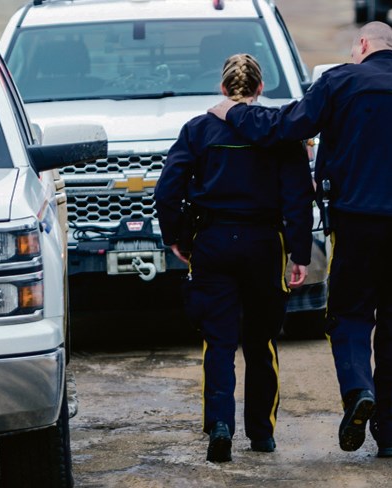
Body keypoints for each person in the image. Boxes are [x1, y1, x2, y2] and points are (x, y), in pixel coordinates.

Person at [208, 22, 392, 458]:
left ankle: (357, 392)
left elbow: (285, 127)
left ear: (364, 45)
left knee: (349, 313)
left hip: (356, 220)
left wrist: (234, 112)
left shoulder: (340, 81)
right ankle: (390, 435)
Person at [155, 54, 314, 463]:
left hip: (213, 241)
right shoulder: (280, 135)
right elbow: (299, 197)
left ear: (223, 90)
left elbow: (167, 191)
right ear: (260, 90)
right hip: (265, 243)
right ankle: (262, 434)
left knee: (219, 340)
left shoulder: (198, 129)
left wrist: (177, 237)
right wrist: (298, 252)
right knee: (262, 341)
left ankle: (220, 423)